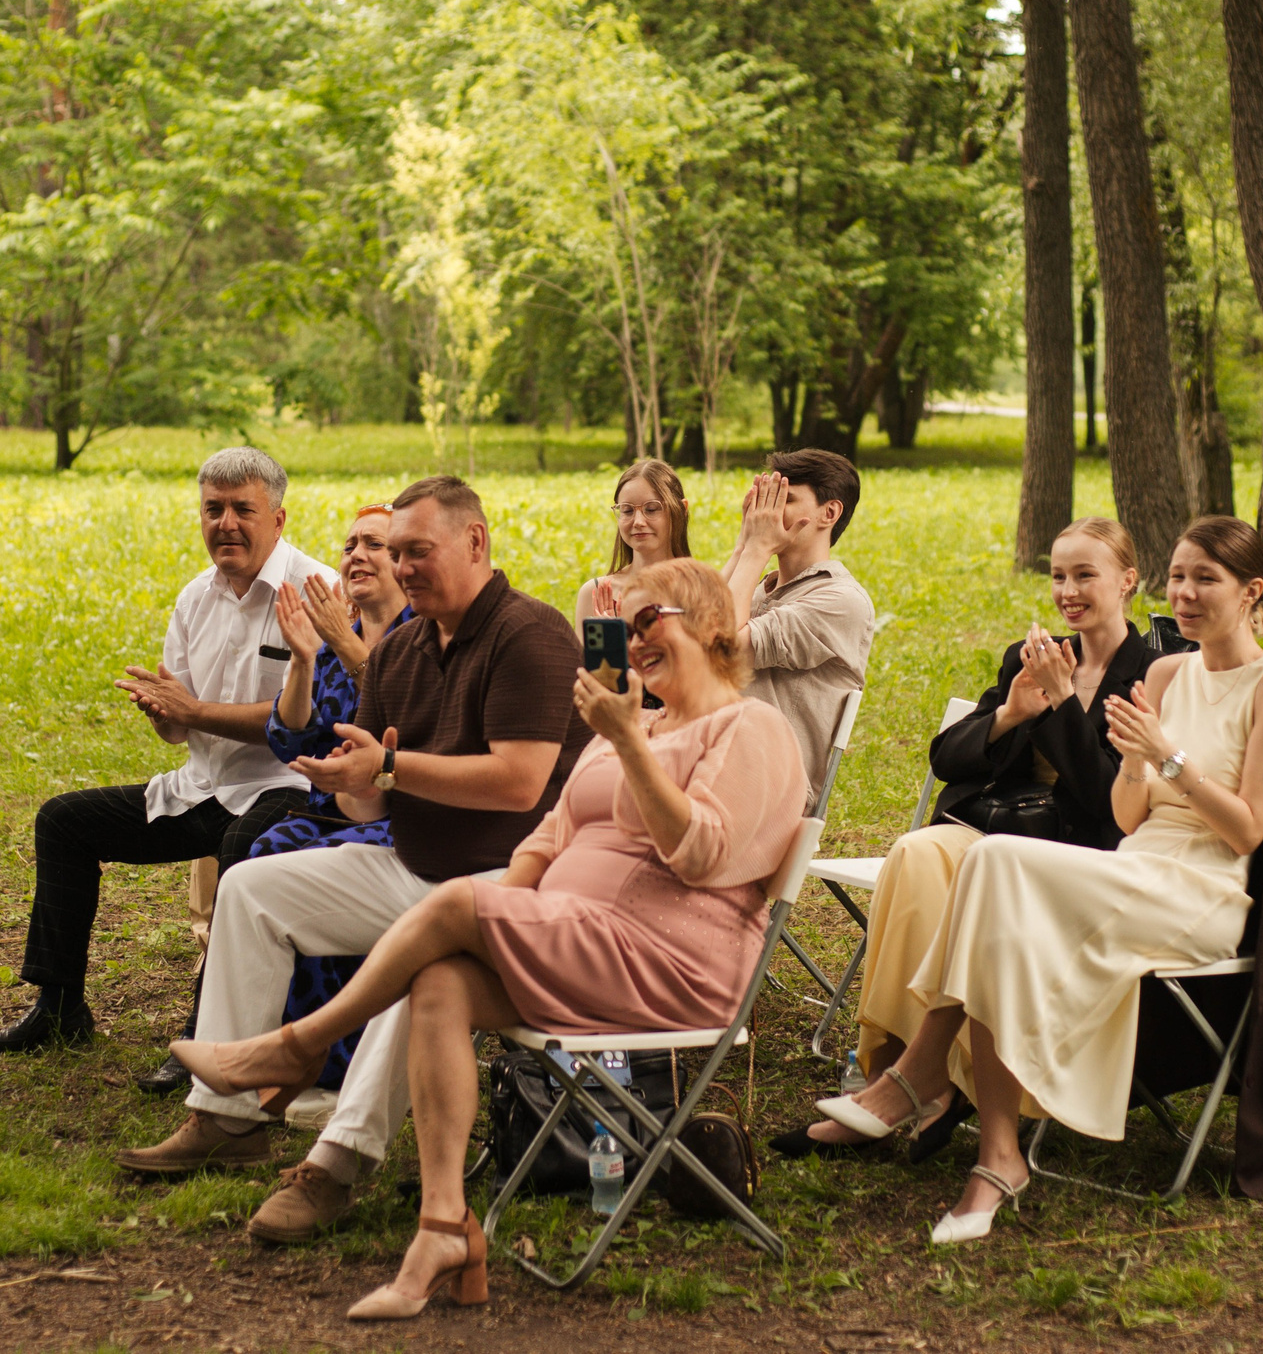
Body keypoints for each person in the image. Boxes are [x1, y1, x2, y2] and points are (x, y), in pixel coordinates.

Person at [172, 557, 808, 1321]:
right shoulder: (633, 724)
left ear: (712, 626)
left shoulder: (751, 727)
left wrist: (625, 745)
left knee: (453, 904)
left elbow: (700, 852)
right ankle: (444, 1227)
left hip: (669, 960)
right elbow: (550, 833)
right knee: (441, 976)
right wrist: (509, 905)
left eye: (649, 620)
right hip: (580, 941)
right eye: (622, 626)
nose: (633, 642)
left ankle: (298, 1046)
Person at [809, 518, 1263, 1244]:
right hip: (1137, 862)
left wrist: (1167, 757)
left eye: (1206, 579)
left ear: (1252, 591)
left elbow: (1249, 831)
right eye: (1179, 576)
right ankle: (996, 1153)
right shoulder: (1167, 675)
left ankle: (921, 1075)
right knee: (990, 867)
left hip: (1203, 889)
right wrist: (1134, 763)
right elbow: (1127, 815)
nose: (1186, 593)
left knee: (995, 863)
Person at [115, 476, 590, 1224]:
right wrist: (351, 781)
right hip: (417, 864)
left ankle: (335, 1164)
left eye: (417, 551)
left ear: (475, 541)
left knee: (432, 960)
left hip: (520, 882)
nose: (402, 567)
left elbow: (518, 782)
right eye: (395, 552)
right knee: (253, 887)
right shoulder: (399, 649)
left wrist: (389, 767)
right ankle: (227, 1118)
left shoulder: (529, 632)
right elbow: (370, 796)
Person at [773, 517, 1164, 1159]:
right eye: (1058, 576)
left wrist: (1063, 705)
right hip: (997, 832)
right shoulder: (1030, 656)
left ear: (1127, 581)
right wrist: (1010, 714)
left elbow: (1111, 804)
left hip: (1080, 854)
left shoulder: (1151, 674)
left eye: (1084, 575)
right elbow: (946, 758)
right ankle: (889, 1075)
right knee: (917, 852)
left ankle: (926, 1084)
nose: (1068, 591)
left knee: (975, 867)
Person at [0, 448, 333, 1074]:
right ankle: (59, 1007)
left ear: (278, 519)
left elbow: (304, 725)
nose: (226, 524)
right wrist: (167, 716)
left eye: (243, 510)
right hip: (202, 787)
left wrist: (194, 710)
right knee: (63, 821)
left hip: (286, 787)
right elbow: (181, 728)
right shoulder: (195, 598)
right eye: (213, 509)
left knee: (243, 848)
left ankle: (207, 1033)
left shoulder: (317, 592)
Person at [131, 502, 415, 1104]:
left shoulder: (419, 635)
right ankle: (259, 1042)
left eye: (375, 545)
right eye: (350, 545)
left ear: (405, 562)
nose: (357, 555)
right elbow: (290, 735)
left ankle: (325, 1059)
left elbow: (407, 719)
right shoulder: (335, 634)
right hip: (327, 807)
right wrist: (305, 659)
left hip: (403, 816)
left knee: (295, 867)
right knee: (264, 852)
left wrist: (343, 642)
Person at [722, 448, 876, 784]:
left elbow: (722, 649)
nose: (766, 513)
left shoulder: (842, 601)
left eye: (784, 500)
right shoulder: (755, 589)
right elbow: (691, 640)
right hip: (713, 760)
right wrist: (743, 546)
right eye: (765, 500)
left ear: (829, 513)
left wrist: (756, 549)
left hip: (772, 786)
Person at [575, 458, 693, 619]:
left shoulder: (699, 591)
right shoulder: (596, 594)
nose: (638, 522)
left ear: (681, 509)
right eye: (627, 511)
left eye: (651, 509)